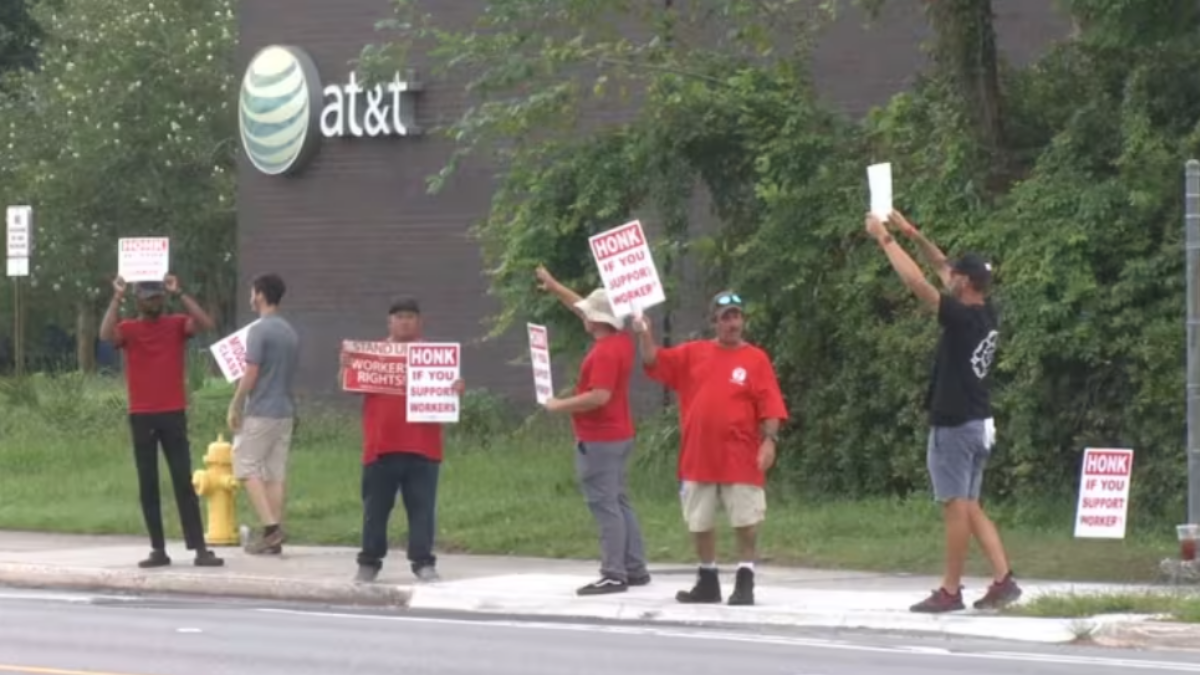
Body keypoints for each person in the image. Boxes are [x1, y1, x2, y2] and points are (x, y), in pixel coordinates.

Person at [865, 210, 1021, 613]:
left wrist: (885, 240)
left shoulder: (959, 316)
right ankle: (1004, 581)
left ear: (965, 283)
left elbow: (917, 281)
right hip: (980, 421)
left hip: (954, 424)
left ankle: (950, 591)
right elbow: (938, 265)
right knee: (969, 505)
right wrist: (911, 231)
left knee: (954, 507)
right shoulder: (986, 311)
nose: (948, 274)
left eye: (955, 275)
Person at [632, 291, 787, 606]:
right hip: (699, 455)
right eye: (726, 317)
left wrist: (770, 440)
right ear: (713, 321)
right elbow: (653, 361)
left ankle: (745, 579)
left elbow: (770, 405)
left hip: (740, 455)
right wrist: (644, 333)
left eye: (737, 316)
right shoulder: (693, 353)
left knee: (746, 519)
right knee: (699, 521)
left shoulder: (756, 359)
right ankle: (708, 580)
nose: (733, 323)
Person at [536, 266, 650, 596]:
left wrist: (559, 405)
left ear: (597, 320)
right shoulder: (621, 341)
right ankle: (634, 566)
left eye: (588, 313)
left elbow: (599, 396)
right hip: (621, 433)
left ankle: (614, 572)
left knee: (604, 504)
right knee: (619, 500)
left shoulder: (603, 352)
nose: (582, 315)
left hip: (600, 438)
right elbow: (579, 306)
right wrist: (556, 285)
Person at [99, 274, 224, 569]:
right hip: (141, 413)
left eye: (157, 296)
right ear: (138, 300)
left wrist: (179, 291)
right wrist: (116, 296)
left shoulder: (176, 324)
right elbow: (105, 335)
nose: (154, 301)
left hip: (173, 411)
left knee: (183, 480)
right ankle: (158, 548)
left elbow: (206, 324)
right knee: (148, 483)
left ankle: (200, 549)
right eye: (148, 297)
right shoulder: (128, 329)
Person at [343, 297, 464, 583]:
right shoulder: (372, 354)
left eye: (410, 316)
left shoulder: (434, 357)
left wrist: (456, 388)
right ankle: (369, 561)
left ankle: (423, 562)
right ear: (390, 322)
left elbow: (449, 394)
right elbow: (348, 387)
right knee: (375, 509)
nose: (405, 321)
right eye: (399, 317)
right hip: (381, 445)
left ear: (419, 322)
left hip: (423, 446)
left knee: (422, 509)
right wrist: (347, 367)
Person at [227, 273, 299, 555]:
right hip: (284, 411)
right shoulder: (289, 331)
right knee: (274, 473)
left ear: (259, 294)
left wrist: (236, 403)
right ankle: (274, 535)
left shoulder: (258, 330)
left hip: (261, 411)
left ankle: (271, 529)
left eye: (252, 291)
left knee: (244, 465)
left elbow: (251, 372)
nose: (250, 296)